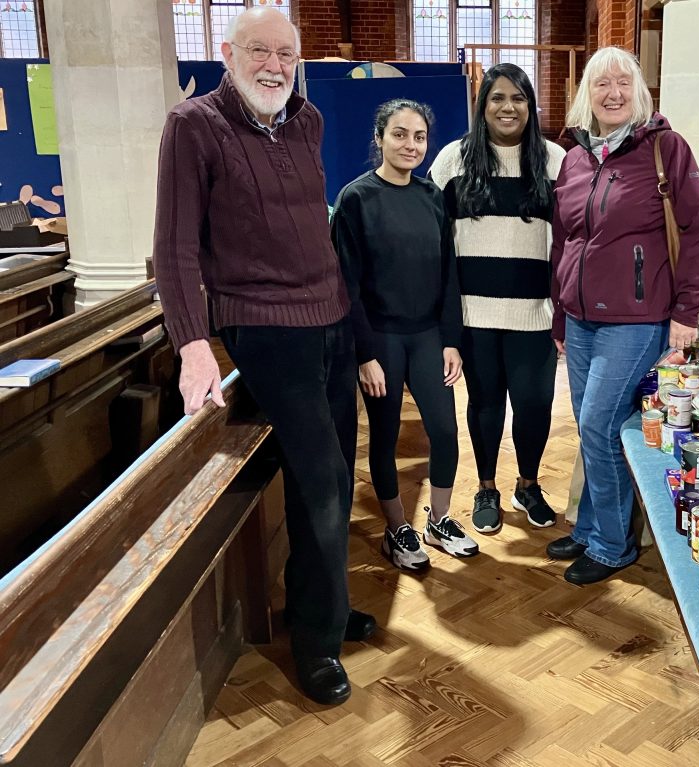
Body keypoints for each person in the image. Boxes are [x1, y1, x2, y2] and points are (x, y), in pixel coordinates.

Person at [152, 7, 374, 706]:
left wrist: (355, 331)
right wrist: (192, 342)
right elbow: (176, 245)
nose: (274, 64)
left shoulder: (306, 120)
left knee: (339, 473)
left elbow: (316, 232)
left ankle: (328, 605)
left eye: (285, 51)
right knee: (324, 483)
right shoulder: (193, 126)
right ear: (228, 52)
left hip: (331, 321)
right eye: (259, 51)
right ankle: (315, 641)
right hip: (267, 330)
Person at [548, 47, 699, 585]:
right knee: (588, 425)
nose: (613, 93)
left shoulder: (664, 149)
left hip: (636, 319)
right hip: (579, 320)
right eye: (602, 85)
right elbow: (564, 238)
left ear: (639, 92)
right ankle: (594, 523)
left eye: (624, 83)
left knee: (600, 424)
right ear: (587, 94)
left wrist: (686, 312)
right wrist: (559, 314)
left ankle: (612, 545)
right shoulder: (575, 155)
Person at [331, 99, 479, 572]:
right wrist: (364, 354)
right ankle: (397, 528)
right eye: (399, 134)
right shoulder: (356, 198)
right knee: (386, 434)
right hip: (382, 339)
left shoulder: (433, 197)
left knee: (445, 430)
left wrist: (451, 339)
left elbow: (448, 273)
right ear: (379, 138)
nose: (410, 144)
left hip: (428, 335)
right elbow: (346, 285)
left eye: (418, 136)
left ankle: (438, 520)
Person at [429, 64, 566, 535]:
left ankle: (527, 484)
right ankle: (486, 486)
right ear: (482, 106)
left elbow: (572, 242)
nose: (508, 107)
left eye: (519, 98)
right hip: (474, 314)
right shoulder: (453, 160)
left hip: (535, 314)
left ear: (531, 106)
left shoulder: (556, 162)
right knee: (485, 404)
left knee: (534, 404)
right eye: (497, 98)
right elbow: (435, 240)